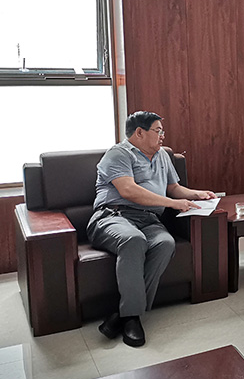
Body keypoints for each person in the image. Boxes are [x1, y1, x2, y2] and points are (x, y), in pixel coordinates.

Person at [87, 111, 216, 347]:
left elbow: (173, 188)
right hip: (113, 215)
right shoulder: (118, 154)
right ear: (139, 132)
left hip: (148, 219)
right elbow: (128, 191)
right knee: (133, 240)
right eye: (158, 131)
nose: (162, 135)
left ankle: (123, 314)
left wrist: (197, 194)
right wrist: (173, 204)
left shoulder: (163, 155)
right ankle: (132, 319)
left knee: (165, 243)